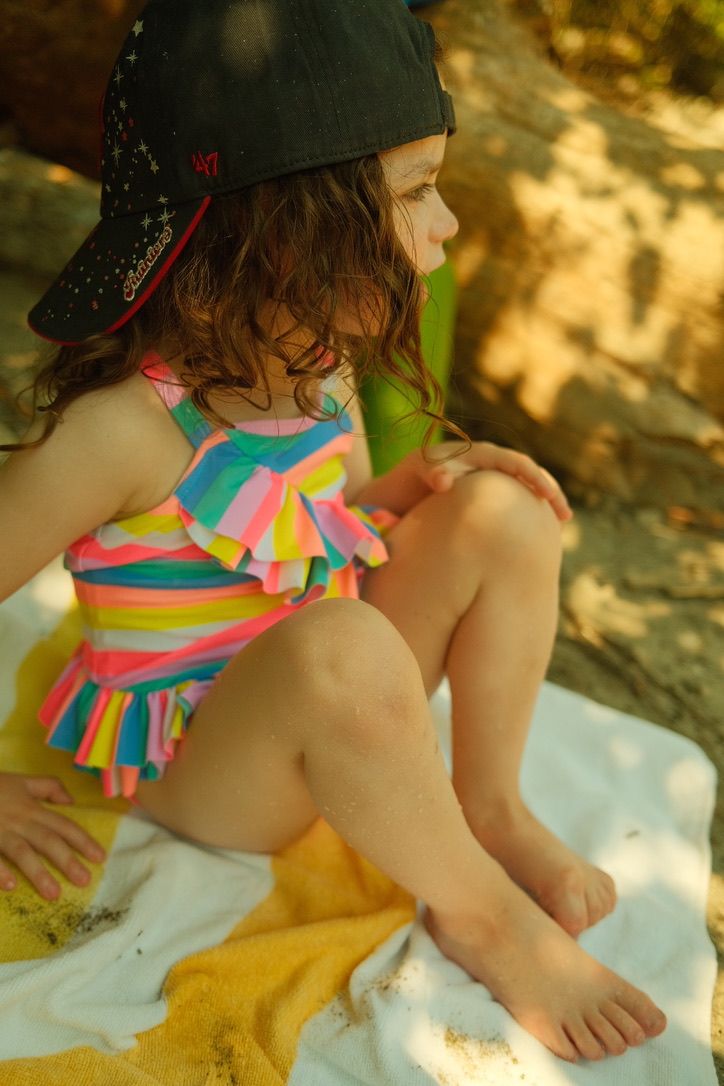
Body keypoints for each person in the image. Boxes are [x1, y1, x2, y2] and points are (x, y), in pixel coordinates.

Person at [0, 0, 667, 1064]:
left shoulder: (318, 365)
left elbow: (337, 510)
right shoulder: (121, 432)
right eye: (416, 192)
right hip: (203, 767)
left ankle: (488, 807)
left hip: (325, 689)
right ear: (285, 231)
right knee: (341, 643)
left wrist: (426, 486)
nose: (448, 225)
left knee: (503, 512)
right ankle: (482, 915)